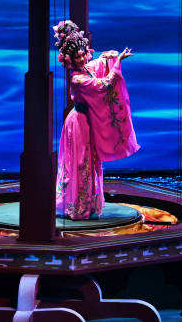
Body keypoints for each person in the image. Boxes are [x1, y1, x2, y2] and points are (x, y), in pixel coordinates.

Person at [53, 20, 140, 220]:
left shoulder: (85, 69)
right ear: (70, 59)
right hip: (78, 124)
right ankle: (78, 207)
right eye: (77, 56)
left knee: (91, 162)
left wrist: (112, 58)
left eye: (83, 54)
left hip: (87, 121)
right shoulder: (77, 78)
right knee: (80, 163)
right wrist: (117, 64)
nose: (81, 58)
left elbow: (97, 64)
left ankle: (89, 205)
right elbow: (104, 84)